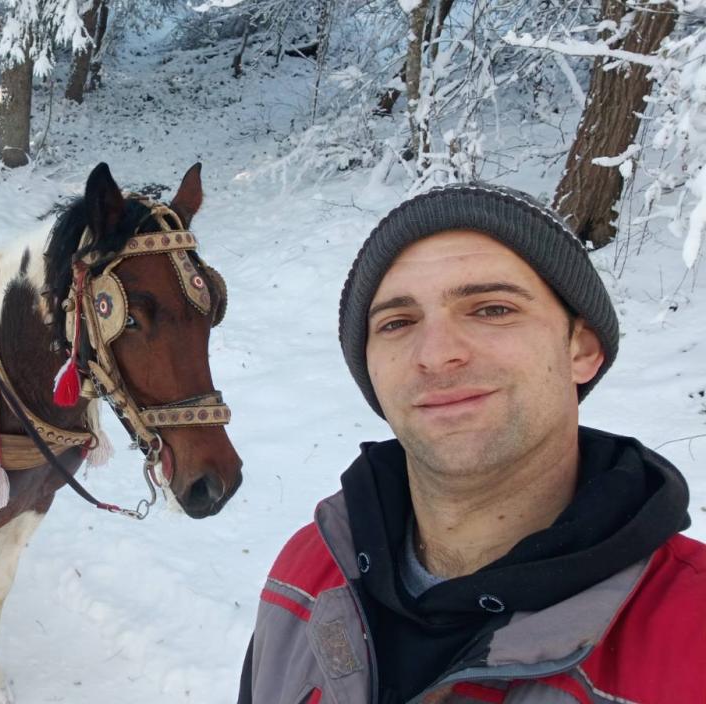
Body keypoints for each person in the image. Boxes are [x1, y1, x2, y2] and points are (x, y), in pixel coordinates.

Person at [237, 183, 704, 703]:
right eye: (397, 322)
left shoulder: (692, 629)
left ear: (582, 349)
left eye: (492, 310)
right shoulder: (307, 573)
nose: (436, 354)